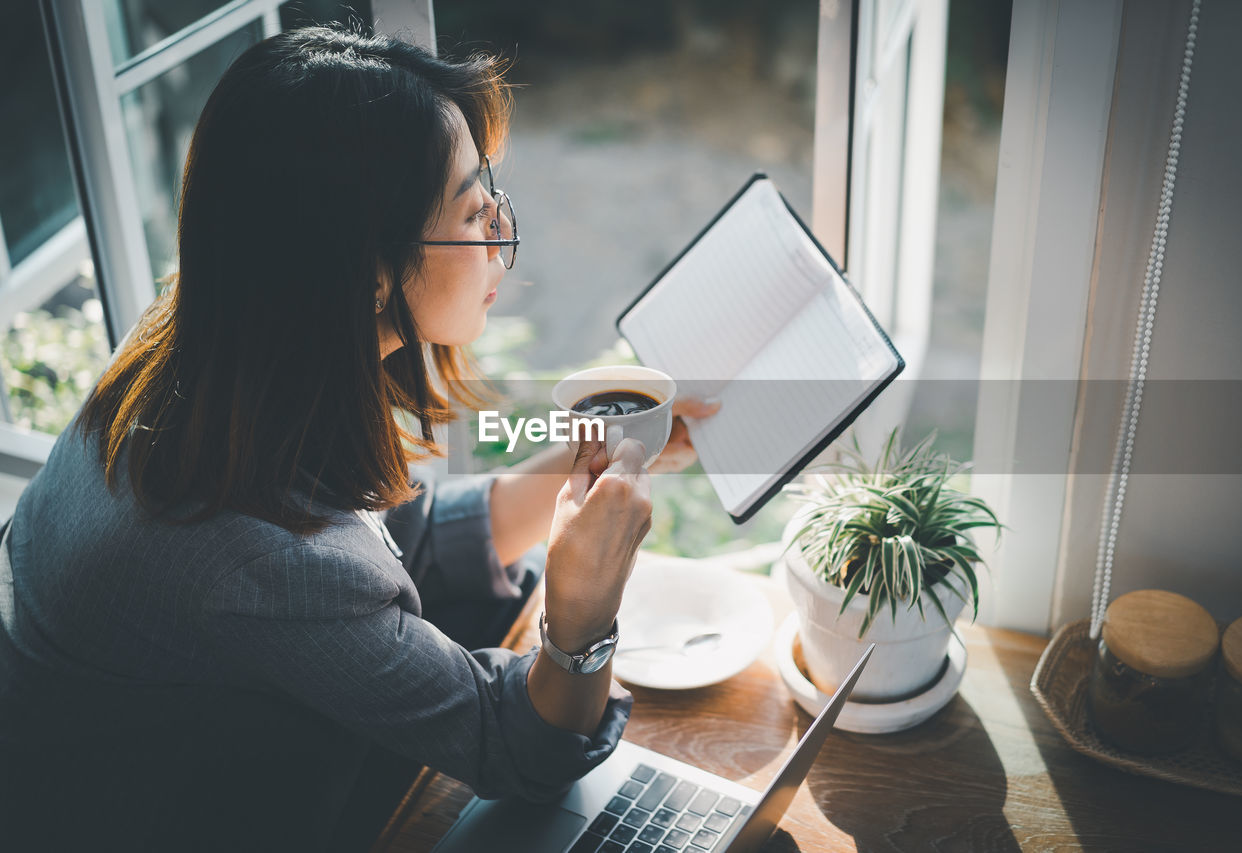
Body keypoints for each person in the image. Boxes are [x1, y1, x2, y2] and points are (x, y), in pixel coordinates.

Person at [0, 24, 717, 852]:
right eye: (472, 210)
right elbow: (518, 746)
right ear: (367, 271)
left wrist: (583, 459)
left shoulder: (204, 351)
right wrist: (583, 613)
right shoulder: (250, 557)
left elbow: (377, 544)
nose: (499, 234)